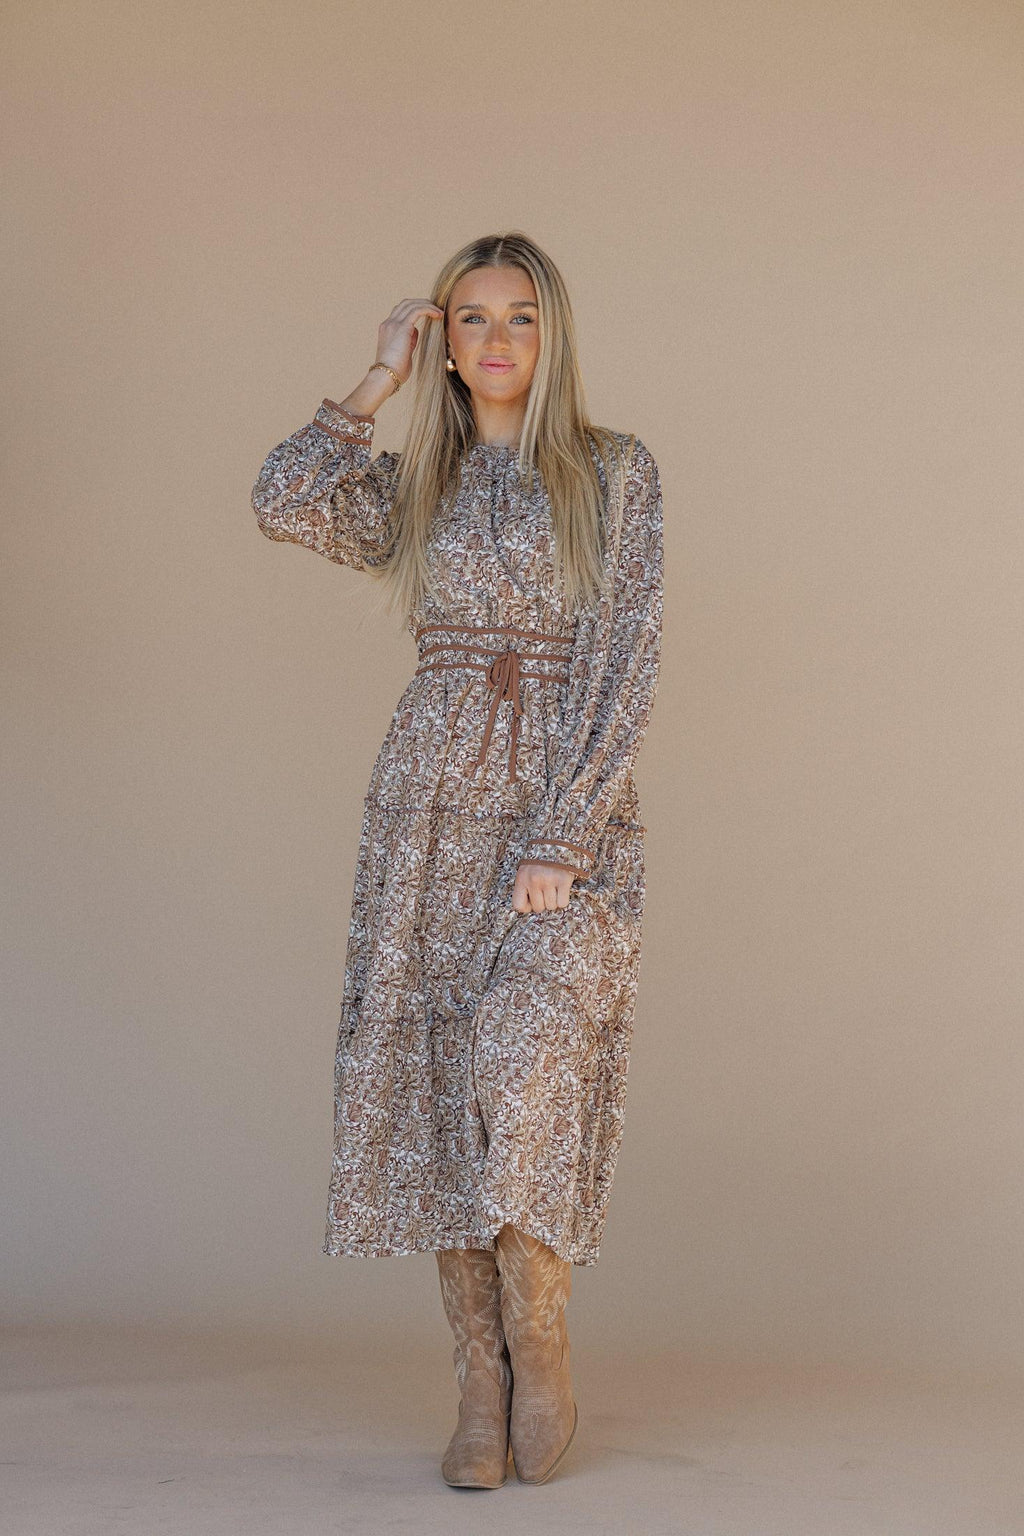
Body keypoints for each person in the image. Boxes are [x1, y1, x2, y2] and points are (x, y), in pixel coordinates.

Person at [250, 231, 664, 1489]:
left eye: (520, 316)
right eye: (469, 318)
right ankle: (478, 1380)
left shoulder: (612, 471)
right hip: (426, 808)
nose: (496, 339)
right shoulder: (416, 485)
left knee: (521, 1067)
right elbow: (283, 501)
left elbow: (628, 655)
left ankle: (541, 1343)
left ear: (554, 333)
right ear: (444, 340)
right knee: (441, 1086)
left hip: (557, 812)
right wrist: (377, 379)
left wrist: (562, 837)